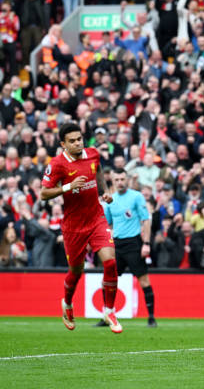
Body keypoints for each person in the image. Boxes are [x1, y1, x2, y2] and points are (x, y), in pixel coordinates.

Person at [40, 123, 122, 334]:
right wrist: (68, 186)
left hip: (96, 219)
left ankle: (109, 310)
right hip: (73, 227)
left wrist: (104, 190)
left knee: (111, 261)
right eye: (72, 141)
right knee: (76, 271)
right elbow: (43, 193)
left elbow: (99, 171)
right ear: (63, 144)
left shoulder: (93, 154)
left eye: (79, 139)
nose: (78, 143)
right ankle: (67, 304)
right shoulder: (57, 164)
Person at [96, 168, 157, 328]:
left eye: (122, 179)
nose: (120, 182)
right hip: (116, 245)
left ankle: (151, 318)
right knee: (107, 281)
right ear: (113, 181)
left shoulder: (136, 197)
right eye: (117, 180)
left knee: (143, 280)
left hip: (134, 243)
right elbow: (107, 224)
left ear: (127, 180)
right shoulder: (111, 200)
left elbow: (146, 220)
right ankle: (107, 316)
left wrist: (146, 243)